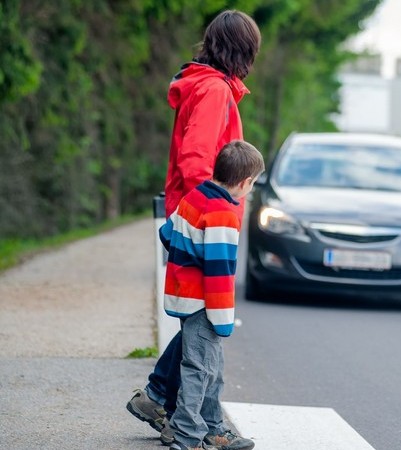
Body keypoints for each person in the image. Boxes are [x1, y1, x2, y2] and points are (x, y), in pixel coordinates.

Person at [126, 8, 261, 448]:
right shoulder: (214, 91)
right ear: (243, 51)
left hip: (193, 214)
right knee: (203, 324)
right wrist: (216, 211)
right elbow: (196, 161)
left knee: (198, 323)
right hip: (204, 220)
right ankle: (193, 425)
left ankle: (158, 397)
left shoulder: (205, 85)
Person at [161, 140, 264, 450]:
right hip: (204, 303)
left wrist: (188, 253)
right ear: (245, 182)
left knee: (210, 367)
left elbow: (167, 233)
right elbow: (218, 274)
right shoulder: (223, 214)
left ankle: (212, 428)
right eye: (254, 183)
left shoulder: (195, 197)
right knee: (198, 370)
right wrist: (223, 320)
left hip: (183, 294)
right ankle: (187, 435)